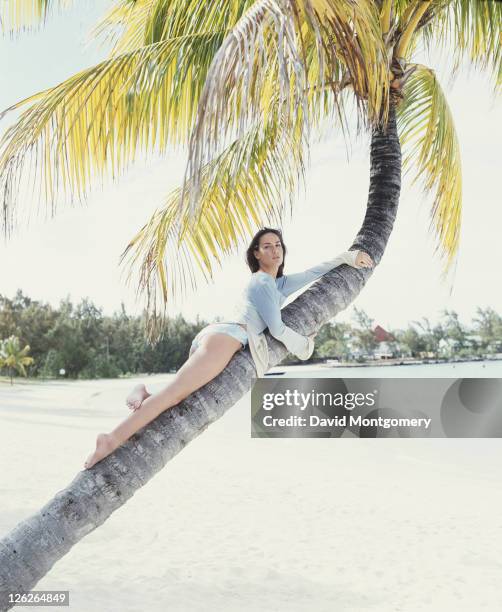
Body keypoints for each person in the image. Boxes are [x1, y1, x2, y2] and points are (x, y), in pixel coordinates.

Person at [84, 228, 373, 469]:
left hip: (221, 337)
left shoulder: (277, 284)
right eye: (267, 246)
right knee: (174, 396)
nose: (275, 250)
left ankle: (144, 393)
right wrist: (306, 347)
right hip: (227, 339)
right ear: (256, 254)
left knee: (177, 394)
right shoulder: (261, 282)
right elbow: (277, 329)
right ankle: (109, 439)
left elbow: (314, 272)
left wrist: (348, 257)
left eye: (278, 245)